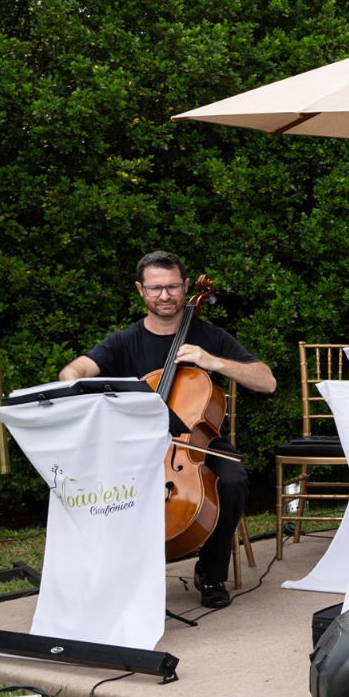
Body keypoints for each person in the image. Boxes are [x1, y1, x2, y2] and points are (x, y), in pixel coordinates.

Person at [58, 251, 277, 608]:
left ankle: (211, 573)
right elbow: (73, 372)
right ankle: (117, 571)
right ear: (140, 290)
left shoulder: (209, 336)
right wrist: (76, 387)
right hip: (139, 445)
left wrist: (213, 361)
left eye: (173, 287)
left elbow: (267, 382)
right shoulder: (123, 340)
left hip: (198, 442)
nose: (165, 296)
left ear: (186, 286)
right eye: (155, 288)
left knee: (233, 479)